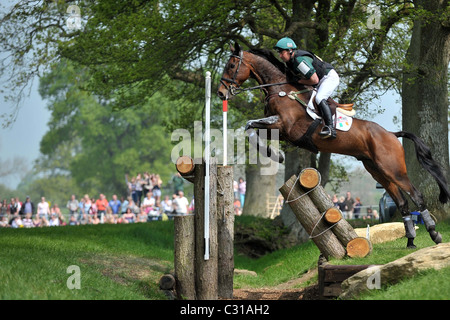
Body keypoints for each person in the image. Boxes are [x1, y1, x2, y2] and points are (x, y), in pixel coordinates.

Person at [274, 37, 339, 139]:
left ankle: (330, 128)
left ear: (290, 51)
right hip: (318, 80)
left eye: (282, 52)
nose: (280, 56)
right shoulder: (290, 61)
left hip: (328, 78)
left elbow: (314, 80)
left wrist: (298, 81)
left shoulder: (299, 60)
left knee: (319, 98)